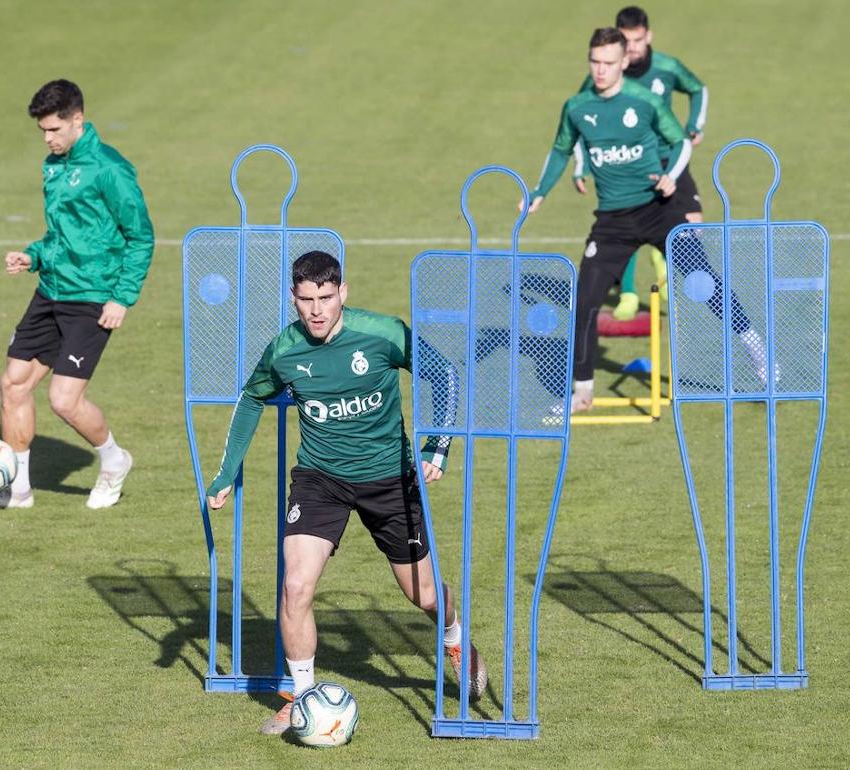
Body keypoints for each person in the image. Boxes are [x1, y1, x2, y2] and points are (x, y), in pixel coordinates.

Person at [205, 250, 488, 735]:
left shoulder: (381, 333)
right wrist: (227, 471)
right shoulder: (284, 350)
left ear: (343, 294)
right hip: (320, 479)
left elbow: (445, 374)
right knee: (295, 586)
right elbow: (252, 398)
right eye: (307, 300)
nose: (317, 310)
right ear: (293, 298)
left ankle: (453, 637)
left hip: (388, 479)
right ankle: (300, 697)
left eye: (326, 298)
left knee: (422, 596)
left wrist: (438, 446)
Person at [525, 28, 764, 412]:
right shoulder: (576, 107)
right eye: (594, 62)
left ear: (624, 62)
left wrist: (672, 175)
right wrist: (539, 192)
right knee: (585, 301)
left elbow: (681, 142)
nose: (600, 71)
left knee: (703, 284)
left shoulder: (644, 101)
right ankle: (582, 392)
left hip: (658, 211)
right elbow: (560, 149)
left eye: (608, 63)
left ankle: (757, 351)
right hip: (612, 223)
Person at [0, 79, 155, 510]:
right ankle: (18, 492)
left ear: (78, 120)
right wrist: (33, 257)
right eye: (43, 132)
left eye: (54, 130)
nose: (48, 139)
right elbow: (60, 236)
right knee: (13, 384)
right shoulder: (53, 167)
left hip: (93, 298)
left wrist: (122, 298)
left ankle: (114, 461)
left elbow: (141, 236)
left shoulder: (110, 168)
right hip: (51, 291)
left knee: (63, 400)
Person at [599, 5, 709, 319]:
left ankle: (671, 273)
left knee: (693, 228)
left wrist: (695, 125)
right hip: (631, 161)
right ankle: (629, 294)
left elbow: (698, 88)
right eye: (626, 41)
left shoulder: (665, 67)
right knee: (626, 224)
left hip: (669, 155)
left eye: (637, 40)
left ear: (649, 36)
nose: (632, 48)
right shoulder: (610, 71)